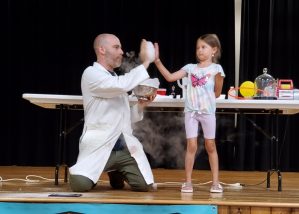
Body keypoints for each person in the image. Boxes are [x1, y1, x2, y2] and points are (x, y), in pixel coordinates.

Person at [69, 33, 157, 192]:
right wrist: (146, 62)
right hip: (99, 145)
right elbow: (121, 85)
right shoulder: (91, 74)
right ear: (102, 50)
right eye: (116, 47)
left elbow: (123, 118)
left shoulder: (115, 78)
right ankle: (109, 168)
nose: (122, 52)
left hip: (123, 149)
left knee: (145, 186)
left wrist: (141, 105)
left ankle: (117, 169)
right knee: (79, 186)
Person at [154, 34, 225, 193]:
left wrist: (205, 101)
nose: (199, 50)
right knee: (191, 145)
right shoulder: (189, 68)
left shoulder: (216, 69)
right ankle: (187, 182)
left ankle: (215, 182)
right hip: (191, 112)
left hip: (207, 112)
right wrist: (157, 61)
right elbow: (170, 77)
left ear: (214, 50)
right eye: (197, 47)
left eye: (203, 47)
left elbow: (217, 92)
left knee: (210, 145)